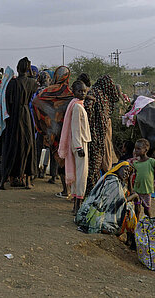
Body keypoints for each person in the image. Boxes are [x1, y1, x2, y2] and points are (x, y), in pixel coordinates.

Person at [32, 66, 74, 196]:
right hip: (67, 131)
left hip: (53, 131)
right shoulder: (70, 93)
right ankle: (70, 190)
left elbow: (36, 102)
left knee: (57, 155)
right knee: (67, 159)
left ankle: (64, 189)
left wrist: (46, 121)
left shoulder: (48, 91)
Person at [0, 57, 38, 190]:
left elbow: (7, 102)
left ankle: (4, 180)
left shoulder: (12, 84)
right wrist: (30, 73)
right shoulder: (32, 83)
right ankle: (27, 181)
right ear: (28, 69)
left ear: (17, 69)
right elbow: (35, 84)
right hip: (26, 116)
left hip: (13, 117)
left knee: (11, 147)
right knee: (28, 146)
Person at [75, 161, 138, 236]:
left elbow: (127, 194)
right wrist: (134, 196)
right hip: (101, 216)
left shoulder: (117, 180)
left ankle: (131, 236)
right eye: (125, 170)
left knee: (130, 205)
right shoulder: (113, 180)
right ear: (118, 168)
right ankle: (131, 236)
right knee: (129, 208)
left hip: (103, 212)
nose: (126, 173)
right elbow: (121, 201)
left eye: (128, 173)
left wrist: (130, 180)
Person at [84, 75, 122, 195]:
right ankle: (94, 191)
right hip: (99, 134)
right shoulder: (101, 96)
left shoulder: (95, 94)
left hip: (94, 133)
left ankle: (93, 190)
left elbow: (88, 111)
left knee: (93, 164)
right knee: (96, 163)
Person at [58, 80, 91, 214]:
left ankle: (76, 204)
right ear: (74, 92)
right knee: (81, 175)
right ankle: (77, 205)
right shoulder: (77, 107)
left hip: (80, 142)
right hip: (80, 143)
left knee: (80, 175)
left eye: (84, 91)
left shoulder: (77, 105)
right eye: (79, 91)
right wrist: (78, 147)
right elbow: (75, 128)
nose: (82, 93)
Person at [132, 138, 155, 218]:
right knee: (137, 208)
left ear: (146, 150)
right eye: (135, 148)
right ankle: (135, 224)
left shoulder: (151, 161)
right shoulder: (135, 163)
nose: (136, 150)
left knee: (147, 208)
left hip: (147, 190)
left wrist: (154, 180)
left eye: (138, 149)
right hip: (137, 189)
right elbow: (134, 175)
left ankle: (149, 222)